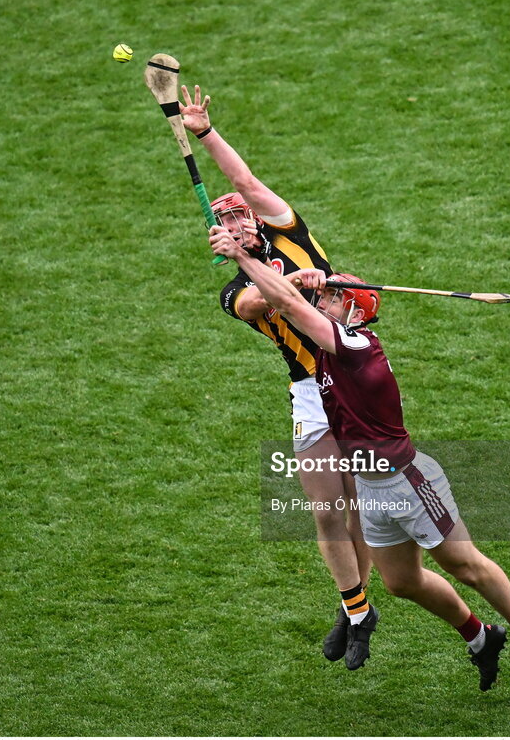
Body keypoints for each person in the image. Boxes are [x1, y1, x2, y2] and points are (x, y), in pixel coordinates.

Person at [208, 231, 510, 695]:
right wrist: (310, 277)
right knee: (402, 583)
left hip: (408, 482)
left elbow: (288, 304)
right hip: (371, 488)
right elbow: (292, 301)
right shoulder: (330, 347)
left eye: (328, 298)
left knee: (464, 565)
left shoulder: (354, 349)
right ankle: (481, 638)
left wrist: (244, 256)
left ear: (352, 311)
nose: (319, 301)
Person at [179, 85, 378, 669]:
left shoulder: (287, 230)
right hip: (310, 392)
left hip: (354, 369)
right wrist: (291, 282)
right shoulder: (234, 289)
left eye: (240, 215)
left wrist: (205, 132)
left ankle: (356, 611)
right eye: (226, 223)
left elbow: (245, 178)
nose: (237, 219)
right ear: (221, 240)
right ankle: (358, 609)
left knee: (362, 505)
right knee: (325, 510)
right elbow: (263, 307)